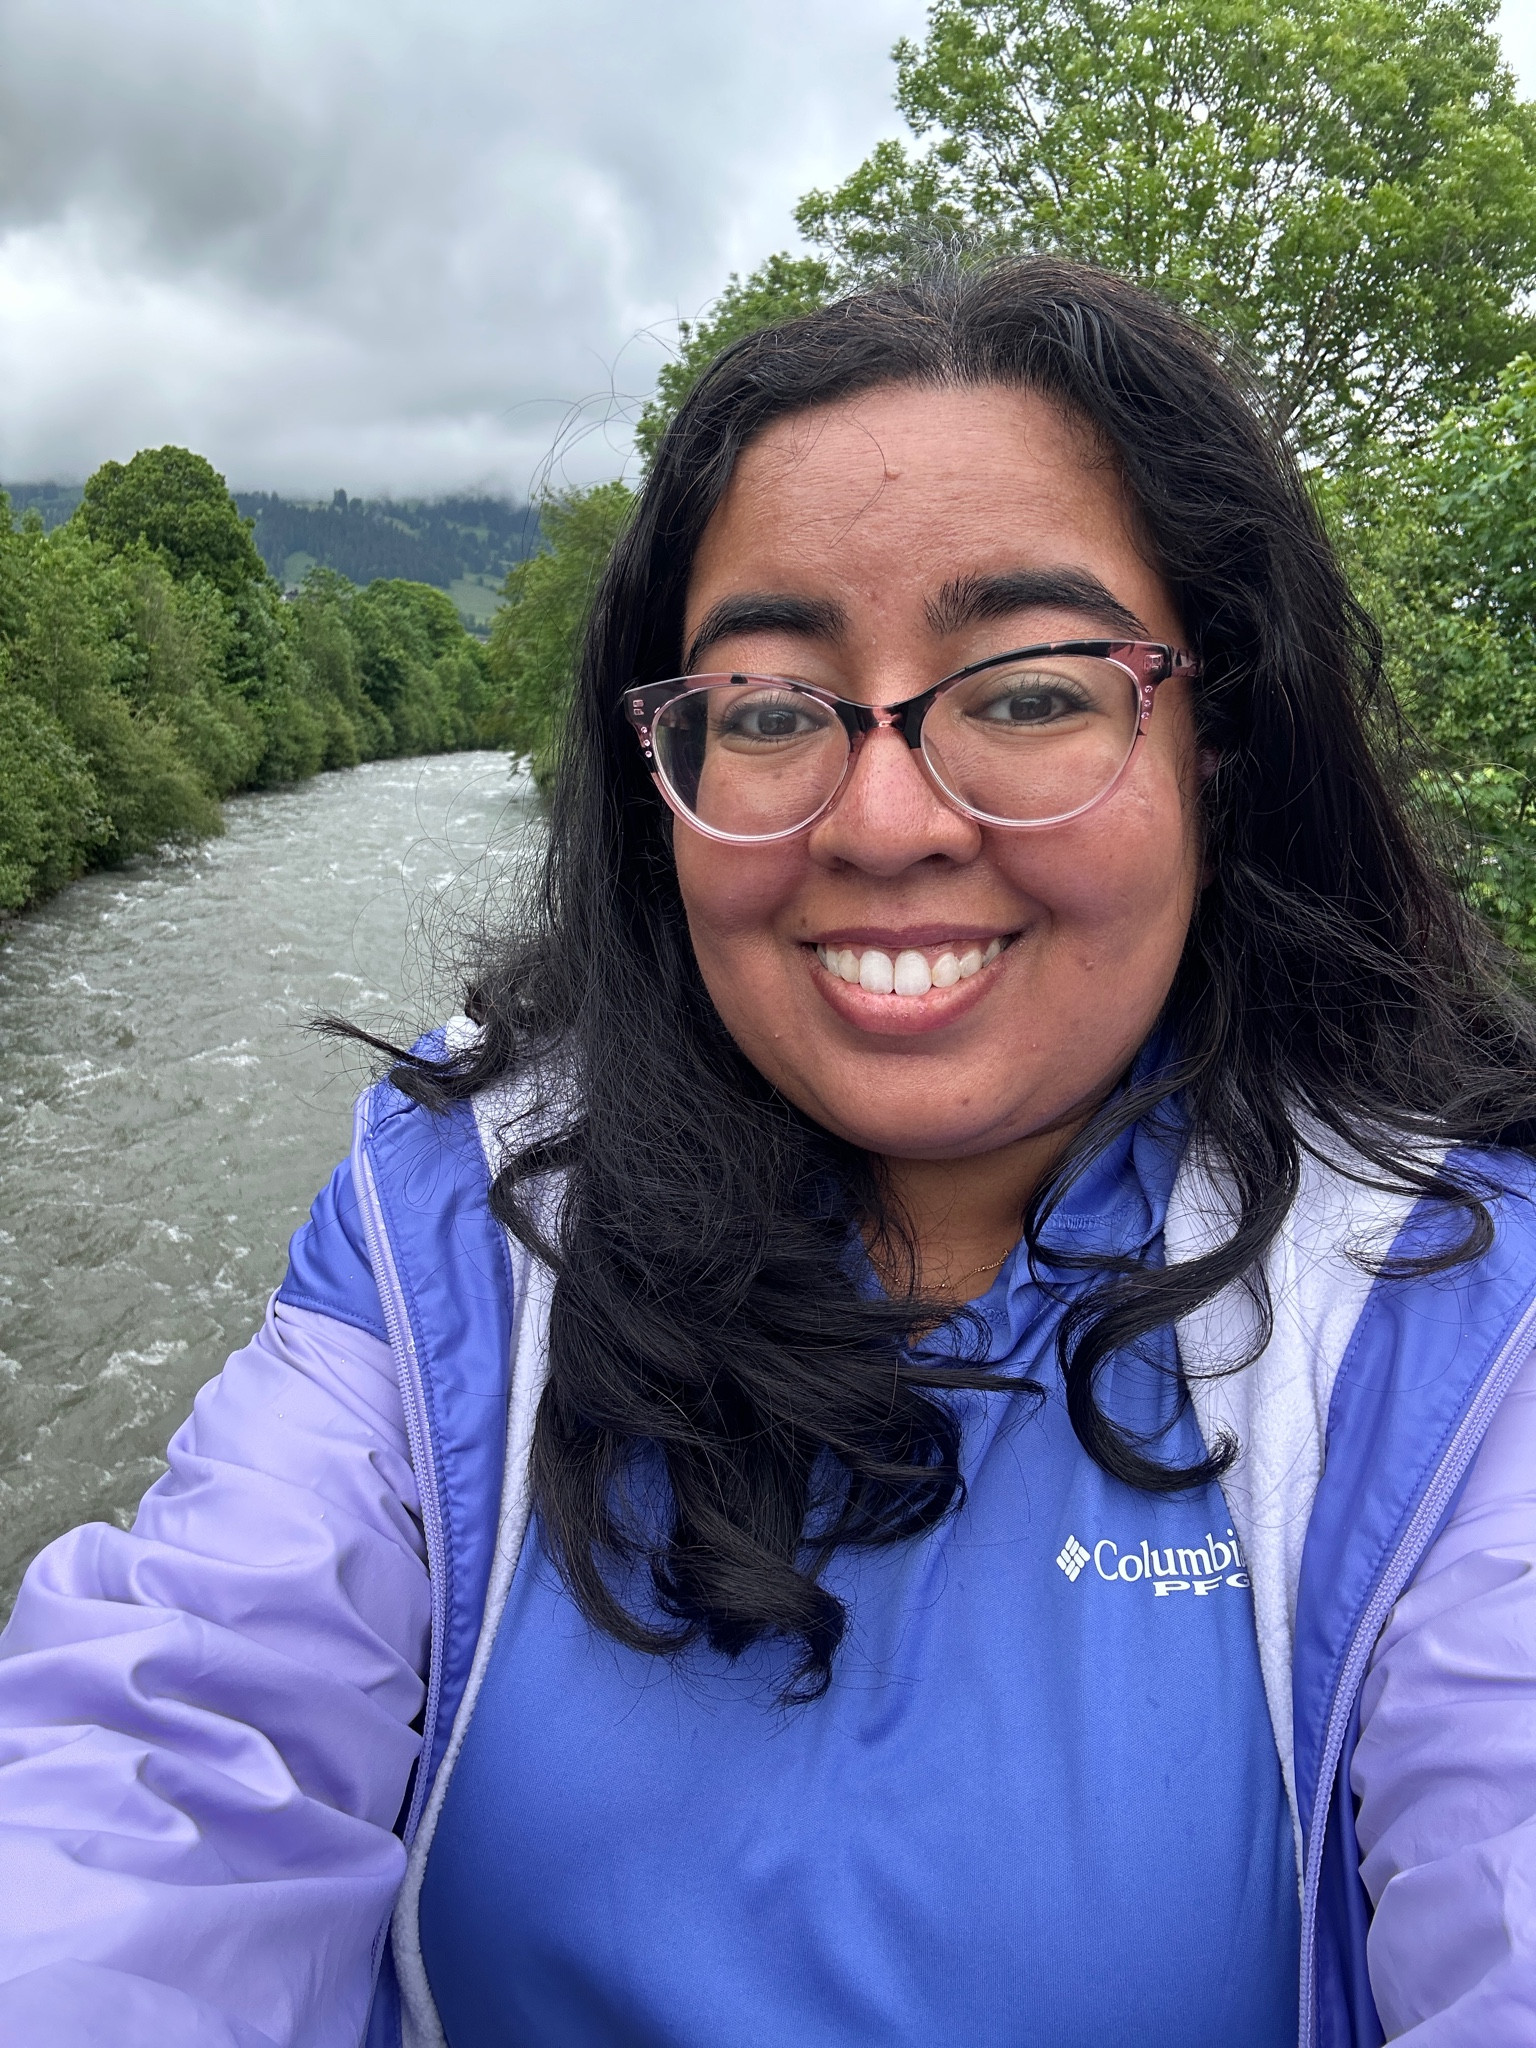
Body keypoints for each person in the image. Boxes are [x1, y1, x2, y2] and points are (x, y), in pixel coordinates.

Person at [4, 259, 1536, 2048]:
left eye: (1030, 692)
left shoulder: (1454, 1318)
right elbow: (170, 1750)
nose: (881, 823)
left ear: (1220, 746)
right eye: (769, 707)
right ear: (668, 778)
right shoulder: (465, 1218)